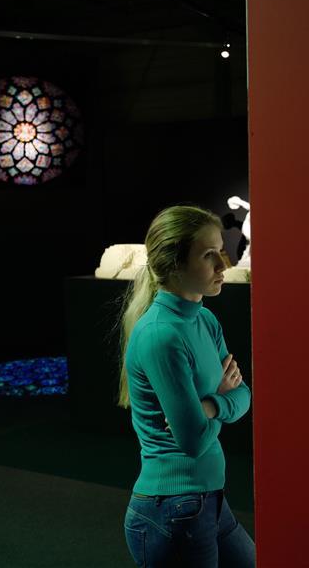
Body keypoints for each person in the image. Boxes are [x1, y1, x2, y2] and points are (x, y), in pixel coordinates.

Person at [114, 204, 255, 567]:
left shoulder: (205, 320)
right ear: (174, 265)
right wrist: (220, 397)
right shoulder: (161, 335)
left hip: (209, 501)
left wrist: (211, 406)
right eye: (209, 255)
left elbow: (244, 395)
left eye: (221, 251)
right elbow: (192, 440)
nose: (223, 265)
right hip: (172, 512)